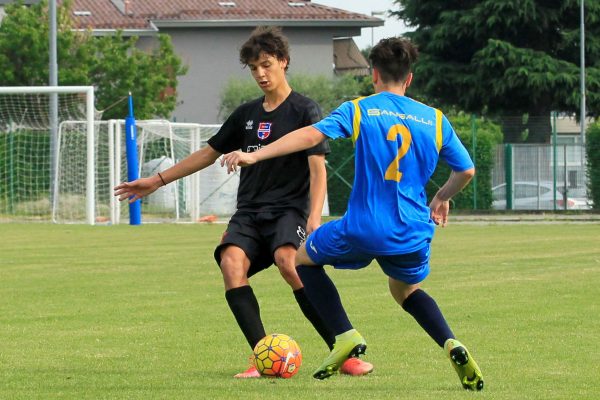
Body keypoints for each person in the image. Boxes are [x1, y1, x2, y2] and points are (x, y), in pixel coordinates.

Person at [222, 37, 484, 390]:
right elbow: (466, 171)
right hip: (412, 231)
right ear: (409, 78)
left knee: (300, 260)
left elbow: (310, 135)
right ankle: (450, 341)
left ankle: (344, 334)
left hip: (362, 227)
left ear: (373, 74)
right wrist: (441, 196)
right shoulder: (435, 120)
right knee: (406, 290)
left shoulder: (360, 109)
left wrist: (255, 154)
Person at [114, 26, 373, 378]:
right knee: (231, 264)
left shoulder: (305, 110)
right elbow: (208, 153)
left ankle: (343, 351)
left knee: (288, 261)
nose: (260, 74)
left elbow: (317, 170)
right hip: (250, 212)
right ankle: (263, 355)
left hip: (289, 211)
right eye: (253, 68)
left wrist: (314, 217)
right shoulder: (246, 114)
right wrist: (157, 180)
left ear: (284, 62)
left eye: (266, 64)